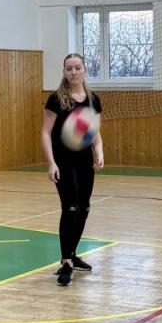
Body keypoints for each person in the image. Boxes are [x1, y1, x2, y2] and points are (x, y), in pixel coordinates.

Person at [42, 53, 103, 287]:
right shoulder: (56, 100)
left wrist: (99, 152)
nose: (73, 72)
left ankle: (73, 253)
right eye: (69, 68)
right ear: (64, 72)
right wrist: (51, 162)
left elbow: (95, 131)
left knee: (84, 207)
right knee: (70, 208)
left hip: (84, 161)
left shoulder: (93, 100)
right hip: (63, 161)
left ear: (85, 70)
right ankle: (66, 261)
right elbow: (45, 133)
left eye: (77, 68)